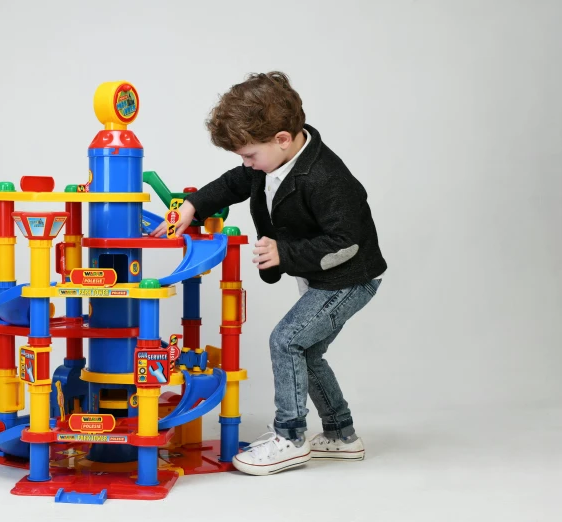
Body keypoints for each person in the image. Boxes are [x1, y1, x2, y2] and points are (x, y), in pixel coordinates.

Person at [150, 72, 387, 476]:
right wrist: (194, 205)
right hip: (322, 277)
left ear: (281, 138)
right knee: (308, 352)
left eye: (249, 155)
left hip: (348, 278)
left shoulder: (327, 177)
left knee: (287, 340)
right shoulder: (271, 161)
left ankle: (290, 437)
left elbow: (346, 242)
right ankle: (341, 436)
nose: (246, 165)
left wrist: (285, 253)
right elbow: (234, 183)